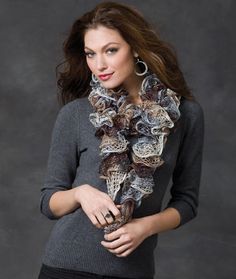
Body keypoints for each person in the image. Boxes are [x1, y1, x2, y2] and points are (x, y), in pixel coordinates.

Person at [38, 1, 204, 279]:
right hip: (65, 267)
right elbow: (48, 202)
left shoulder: (185, 115)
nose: (99, 64)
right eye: (91, 54)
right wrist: (82, 193)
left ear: (136, 47)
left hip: (133, 271)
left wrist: (145, 227)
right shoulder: (76, 114)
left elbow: (187, 202)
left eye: (111, 50)